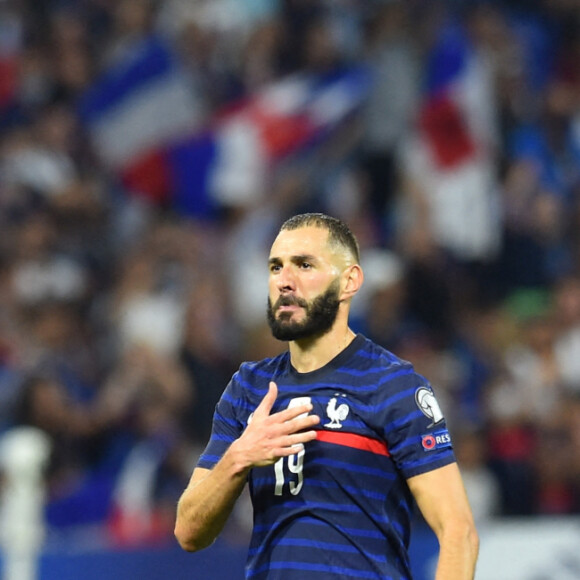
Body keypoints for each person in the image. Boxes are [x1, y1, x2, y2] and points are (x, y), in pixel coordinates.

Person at [174, 213, 479, 579]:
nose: (284, 281)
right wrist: (239, 456)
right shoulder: (249, 389)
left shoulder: (392, 386)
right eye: (275, 267)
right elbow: (188, 531)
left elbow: (458, 532)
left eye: (304, 265)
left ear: (349, 281)